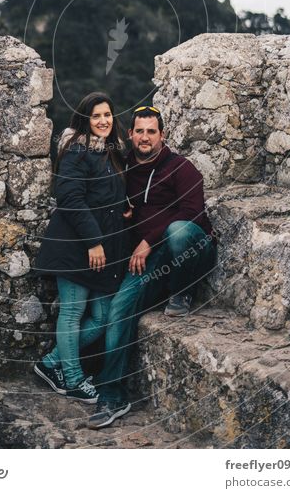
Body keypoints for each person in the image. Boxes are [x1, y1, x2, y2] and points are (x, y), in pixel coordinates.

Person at [89, 105, 217, 428]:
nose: (145, 137)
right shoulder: (124, 168)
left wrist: (149, 238)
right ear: (130, 135)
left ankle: (182, 293)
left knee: (177, 232)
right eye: (139, 131)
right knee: (120, 307)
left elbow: (194, 215)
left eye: (151, 131)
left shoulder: (181, 169)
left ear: (162, 135)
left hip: (187, 253)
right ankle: (112, 397)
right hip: (147, 262)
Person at [32, 92, 129, 403]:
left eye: (107, 115)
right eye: (96, 116)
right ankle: (72, 379)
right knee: (73, 312)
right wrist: (95, 242)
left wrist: (122, 205)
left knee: (102, 316)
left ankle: (50, 363)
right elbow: (71, 199)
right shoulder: (77, 151)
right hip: (77, 247)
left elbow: (105, 194)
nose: (103, 121)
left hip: (102, 252)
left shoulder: (110, 152)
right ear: (85, 120)